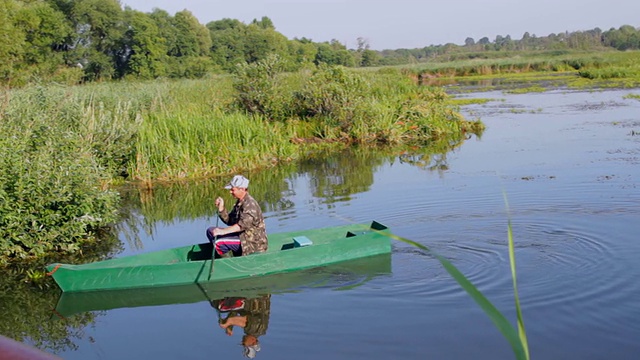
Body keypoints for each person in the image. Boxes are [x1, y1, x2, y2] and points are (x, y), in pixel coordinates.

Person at [206, 175, 267, 258]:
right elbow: (230, 221)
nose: (230, 192)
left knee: (219, 242)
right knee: (210, 231)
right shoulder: (240, 202)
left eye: (232, 189)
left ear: (241, 189)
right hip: (241, 236)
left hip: (251, 242)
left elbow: (241, 226)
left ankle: (230, 263)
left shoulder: (250, 205)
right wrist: (221, 209)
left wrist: (222, 232)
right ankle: (226, 253)